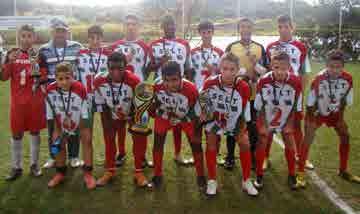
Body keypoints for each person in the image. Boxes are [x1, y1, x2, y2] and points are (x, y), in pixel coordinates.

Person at [297, 50, 360, 187]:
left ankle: (343, 170)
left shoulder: (348, 79)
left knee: (345, 135)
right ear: (326, 65)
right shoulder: (318, 80)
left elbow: (345, 101)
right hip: (316, 113)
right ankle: (300, 173)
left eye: (338, 67)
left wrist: (339, 117)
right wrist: (312, 121)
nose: (334, 70)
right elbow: (310, 104)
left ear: (343, 67)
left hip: (335, 113)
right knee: (308, 138)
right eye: (331, 66)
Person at [200, 53, 258, 196]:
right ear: (220, 68)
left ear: (238, 70)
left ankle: (246, 180)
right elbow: (204, 110)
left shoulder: (244, 87)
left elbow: (243, 112)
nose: (228, 73)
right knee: (211, 142)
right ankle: (212, 180)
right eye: (225, 68)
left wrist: (240, 130)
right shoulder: (209, 83)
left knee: (244, 143)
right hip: (214, 119)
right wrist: (217, 117)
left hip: (235, 120)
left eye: (232, 69)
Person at [93, 52, 149, 187]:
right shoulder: (99, 81)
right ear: (107, 67)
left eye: (120, 68)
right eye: (112, 68)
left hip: (132, 111)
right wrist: (108, 122)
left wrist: (130, 117)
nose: (116, 72)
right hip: (112, 112)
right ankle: (110, 171)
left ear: (126, 67)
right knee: (109, 137)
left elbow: (141, 107)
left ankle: (139, 171)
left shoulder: (135, 81)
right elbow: (102, 104)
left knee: (139, 136)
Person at [265, 15, 313, 170]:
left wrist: (300, 92)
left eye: (286, 26)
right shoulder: (270, 47)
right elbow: (267, 71)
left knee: (296, 126)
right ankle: (265, 157)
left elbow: (304, 72)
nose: (283, 30)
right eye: (280, 27)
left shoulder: (301, 47)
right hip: (273, 93)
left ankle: (301, 157)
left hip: (292, 92)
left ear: (293, 27)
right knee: (270, 125)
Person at [148, 61, 206, 189]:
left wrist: (182, 120)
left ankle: (201, 175)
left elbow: (196, 114)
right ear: (162, 78)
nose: (170, 84)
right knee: (158, 141)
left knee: (196, 144)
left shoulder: (191, 89)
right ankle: (157, 174)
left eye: (174, 80)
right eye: (166, 80)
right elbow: (154, 104)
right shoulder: (156, 85)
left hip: (186, 116)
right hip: (165, 114)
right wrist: (157, 111)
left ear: (181, 76)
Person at [1, 25, 46, 180]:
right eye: (23, 36)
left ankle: (34, 165)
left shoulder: (39, 55)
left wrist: (37, 72)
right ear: (18, 37)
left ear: (34, 38)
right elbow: (3, 77)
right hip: (17, 105)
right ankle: (16, 167)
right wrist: (7, 61)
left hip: (34, 103)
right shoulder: (12, 54)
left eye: (29, 36)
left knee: (35, 132)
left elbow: (44, 77)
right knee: (16, 134)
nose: (26, 39)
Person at [39, 18, 84, 169]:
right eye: (57, 31)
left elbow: (82, 67)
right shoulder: (43, 50)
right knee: (52, 125)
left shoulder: (77, 47)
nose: (60, 34)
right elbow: (40, 72)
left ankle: (73, 156)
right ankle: (53, 156)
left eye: (63, 31)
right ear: (52, 32)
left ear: (67, 32)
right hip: (53, 95)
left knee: (73, 124)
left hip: (73, 94)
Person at [254, 51, 302, 190]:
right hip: (267, 117)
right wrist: (263, 124)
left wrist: (289, 124)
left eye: (283, 68)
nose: (280, 71)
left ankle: (292, 174)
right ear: (271, 66)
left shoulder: (295, 81)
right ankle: (259, 175)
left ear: (289, 67)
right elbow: (259, 106)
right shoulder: (263, 81)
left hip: (286, 117)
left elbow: (296, 106)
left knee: (289, 141)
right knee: (262, 139)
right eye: (276, 67)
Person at [149, 15, 193, 165]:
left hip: (180, 87)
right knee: (163, 120)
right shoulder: (154, 44)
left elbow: (188, 67)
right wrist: (160, 61)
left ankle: (178, 153)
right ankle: (157, 157)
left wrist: (190, 85)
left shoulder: (184, 44)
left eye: (172, 24)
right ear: (163, 27)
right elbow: (148, 68)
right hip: (162, 89)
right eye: (167, 25)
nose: (170, 27)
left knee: (179, 121)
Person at [224, 17, 268, 170]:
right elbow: (224, 69)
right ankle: (230, 157)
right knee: (232, 125)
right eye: (243, 27)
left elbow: (267, 72)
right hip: (234, 94)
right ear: (239, 29)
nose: (246, 30)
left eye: (248, 27)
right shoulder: (231, 47)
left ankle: (253, 159)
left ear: (252, 29)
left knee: (252, 127)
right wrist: (241, 75)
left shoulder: (259, 47)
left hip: (254, 94)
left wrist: (256, 65)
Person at [46, 62, 96, 189]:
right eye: (60, 79)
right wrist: (60, 131)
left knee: (87, 140)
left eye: (67, 78)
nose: (64, 82)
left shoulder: (80, 88)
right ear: (55, 78)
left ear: (73, 76)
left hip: (80, 120)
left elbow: (84, 115)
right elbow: (50, 115)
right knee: (56, 143)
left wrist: (76, 129)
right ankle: (60, 172)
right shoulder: (50, 90)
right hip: (60, 122)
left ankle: (88, 173)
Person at [111, 14, 152, 167]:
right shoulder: (116, 46)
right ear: (123, 26)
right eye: (128, 24)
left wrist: (147, 87)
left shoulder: (144, 46)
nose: (131, 27)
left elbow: (149, 70)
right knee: (120, 123)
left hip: (139, 91)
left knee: (141, 124)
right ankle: (121, 153)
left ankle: (141, 155)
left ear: (138, 26)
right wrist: (124, 61)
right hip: (120, 91)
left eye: (134, 24)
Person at [190, 20, 224, 166]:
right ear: (200, 33)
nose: (206, 35)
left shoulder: (220, 52)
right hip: (199, 94)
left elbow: (225, 72)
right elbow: (189, 73)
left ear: (212, 33)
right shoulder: (193, 52)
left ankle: (215, 155)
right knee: (197, 126)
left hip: (215, 94)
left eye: (209, 32)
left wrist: (214, 70)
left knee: (215, 126)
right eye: (203, 32)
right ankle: (197, 155)